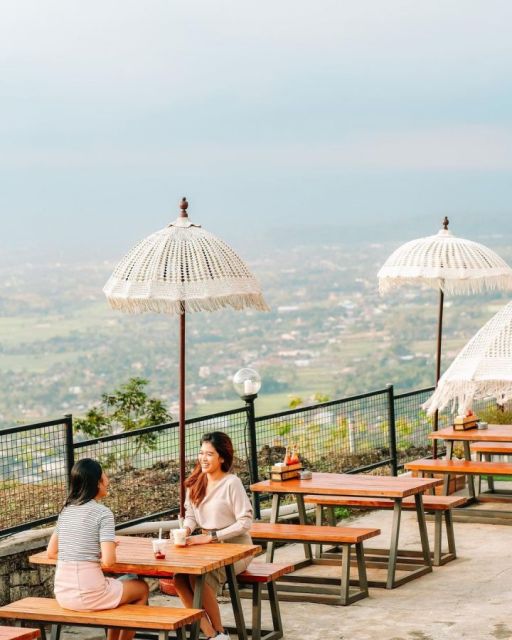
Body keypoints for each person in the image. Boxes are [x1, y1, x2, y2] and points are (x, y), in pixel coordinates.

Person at [47, 458, 149, 640]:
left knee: (123, 582)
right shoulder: (103, 514)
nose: (107, 479)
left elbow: (51, 552)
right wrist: (106, 550)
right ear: (96, 482)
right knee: (141, 588)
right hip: (89, 594)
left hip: (63, 594)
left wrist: (86, 549)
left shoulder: (66, 511)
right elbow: (109, 561)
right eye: (104, 475)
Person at [173, 432, 253, 640]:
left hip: (237, 549)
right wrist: (187, 530)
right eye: (201, 453)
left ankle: (220, 631)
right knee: (179, 579)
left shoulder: (231, 483)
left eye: (209, 454)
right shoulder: (195, 483)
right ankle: (212, 634)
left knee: (200, 577)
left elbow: (245, 521)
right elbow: (190, 516)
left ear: (222, 457)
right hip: (208, 548)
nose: (203, 458)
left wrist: (213, 536)